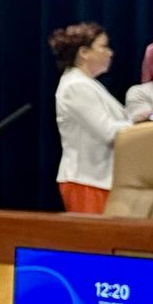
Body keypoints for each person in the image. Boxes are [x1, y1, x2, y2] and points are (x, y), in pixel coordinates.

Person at [51, 22, 129, 213]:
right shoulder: (75, 85)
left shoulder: (86, 83)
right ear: (84, 52)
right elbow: (108, 132)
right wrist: (141, 126)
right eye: (103, 46)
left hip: (98, 180)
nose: (110, 53)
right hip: (86, 181)